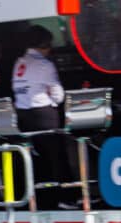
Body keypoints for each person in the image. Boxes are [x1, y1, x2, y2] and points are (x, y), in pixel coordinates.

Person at [11, 26, 73, 208]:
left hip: (23, 116)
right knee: (58, 157)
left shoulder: (19, 62)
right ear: (45, 45)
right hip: (44, 114)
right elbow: (58, 96)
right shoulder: (45, 64)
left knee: (38, 159)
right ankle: (66, 198)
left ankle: (41, 198)